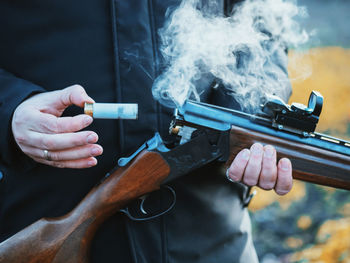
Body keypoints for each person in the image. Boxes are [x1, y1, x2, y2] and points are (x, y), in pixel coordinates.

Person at [0, 0, 292, 262]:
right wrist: (10, 108)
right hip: (38, 201)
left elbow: (263, 21)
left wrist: (249, 118)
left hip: (211, 232)